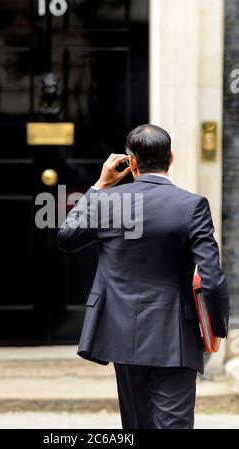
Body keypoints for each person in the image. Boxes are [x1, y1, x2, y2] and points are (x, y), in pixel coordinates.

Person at [57, 124, 230, 429]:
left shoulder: (109, 202)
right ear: (171, 157)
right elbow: (212, 277)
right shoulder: (192, 206)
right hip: (176, 336)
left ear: (131, 163)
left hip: (122, 334)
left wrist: (98, 186)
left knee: (136, 424)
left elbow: (67, 236)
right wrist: (215, 328)